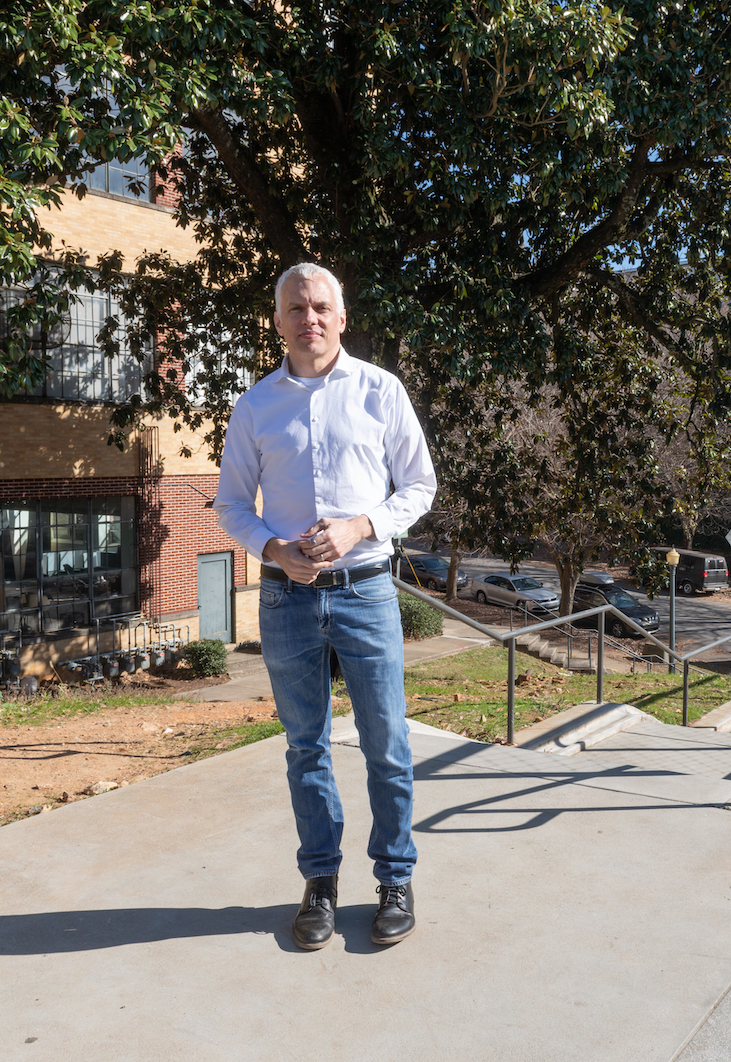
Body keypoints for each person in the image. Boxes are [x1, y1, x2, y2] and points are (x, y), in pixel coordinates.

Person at [214, 263, 437, 950]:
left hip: (367, 592)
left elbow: (420, 486)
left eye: (320, 307)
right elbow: (228, 505)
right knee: (305, 749)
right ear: (277, 321)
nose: (308, 318)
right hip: (286, 600)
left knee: (388, 746)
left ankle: (395, 879)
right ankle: (321, 884)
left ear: (341, 318)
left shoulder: (381, 391)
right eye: (295, 308)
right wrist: (273, 548)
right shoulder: (255, 406)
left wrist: (361, 526)